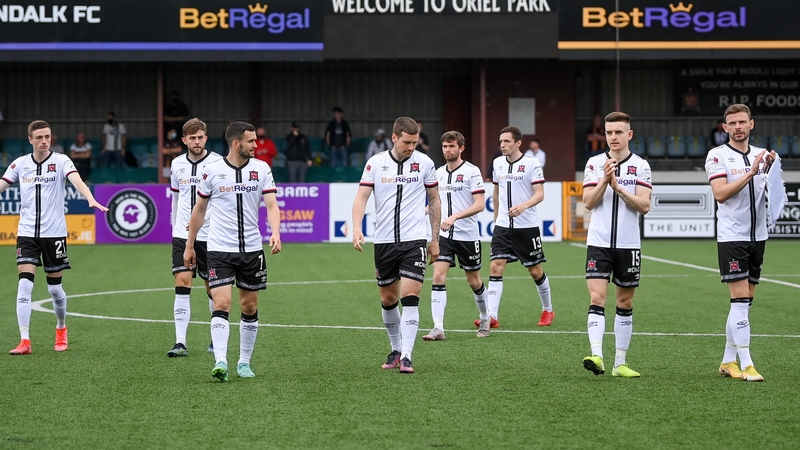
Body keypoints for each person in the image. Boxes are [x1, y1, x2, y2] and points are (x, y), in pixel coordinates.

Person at [184, 121, 282, 382]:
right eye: (251, 141)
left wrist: (275, 231)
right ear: (236, 143)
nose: (256, 145)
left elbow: (272, 204)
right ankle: (221, 361)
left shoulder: (262, 169)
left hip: (252, 249)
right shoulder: (213, 171)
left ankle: (244, 362)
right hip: (219, 249)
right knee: (222, 303)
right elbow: (199, 210)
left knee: (249, 306)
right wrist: (190, 244)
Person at [1, 120, 108, 355]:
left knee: (55, 289)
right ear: (30, 139)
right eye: (39, 137)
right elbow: (2, 183)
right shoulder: (20, 163)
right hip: (27, 233)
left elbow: (76, 180)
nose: (44, 141)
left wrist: (90, 198)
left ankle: (61, 328)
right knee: (24, 284)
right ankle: (24, 340)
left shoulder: (61, 161)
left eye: (47, 137)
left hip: (54, 234)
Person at [352, 116, 440, 374]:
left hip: (414, 240)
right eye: (406, 142)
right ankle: (396, 349)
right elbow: (361, 197)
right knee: (388, 299)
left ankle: (408, 356)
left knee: (410, 297)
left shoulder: (425, 163)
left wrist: (435, 239)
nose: (411, 147)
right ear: (394, 137)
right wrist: (356, 228)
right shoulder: (375, 163)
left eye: (414, 142)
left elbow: (434, 201)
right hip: (384, 241)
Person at [705, 104, 776, 382]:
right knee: (739, 300)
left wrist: (770, 171)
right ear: (725, 128)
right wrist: (751, 172)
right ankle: (747, 364)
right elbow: (720, 194)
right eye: (732, 123)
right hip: (732, 236)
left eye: (742, 122)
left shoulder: (762, 154)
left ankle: (727, 361)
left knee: (745, 303)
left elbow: (772, 193)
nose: (737, 127)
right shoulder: (717, 155)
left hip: (758, 236)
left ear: (751, 124)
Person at [581, 112, 652, 379]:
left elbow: (644, 205)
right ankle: (597, 355)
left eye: (618, 132)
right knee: (597, 298)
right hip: (598, 242)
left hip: (628, 244)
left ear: (629, 134)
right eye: (609, 132)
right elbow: (588, 202)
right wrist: (604, 180)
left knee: (625, 301)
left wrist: (619, 188)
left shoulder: (641, 165)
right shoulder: (594, 163)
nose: (613, 137)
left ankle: (620, 363)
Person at [483, 126, 553, 329]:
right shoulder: (497, 163)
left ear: (518, 143)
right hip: (503, 227)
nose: (502, 145)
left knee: (534, 270)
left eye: (507, 141)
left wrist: (523, 206)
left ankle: (548, 309)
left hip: (526, 227)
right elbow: (496, 191)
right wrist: (496, 218)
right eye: (501, 141)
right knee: (495, 266)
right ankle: (491, 316)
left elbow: (540, 193)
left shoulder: (532, 163)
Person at [421, 131, 489, 341]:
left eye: (452, 146)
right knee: (438, 276)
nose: (447, 150)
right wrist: (421, 212)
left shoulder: (472, 172)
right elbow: (435, 202)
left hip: (467, 236)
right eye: (445, 146)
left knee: (474, 281)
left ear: (461, 148)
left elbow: (480, 204)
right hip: (444, 236)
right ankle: (438, 328)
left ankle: (485, 317)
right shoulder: (438, 173)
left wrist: (454, 217)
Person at [166, 118, 223, 358]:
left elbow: (220, 200)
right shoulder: (176, 164)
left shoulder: (218, 163)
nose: (197, 142)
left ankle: (214, 339)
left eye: (200, 137)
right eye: (192, 138)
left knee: (213, 288)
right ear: (184, 140)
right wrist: (175, 228)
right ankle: (180, 342)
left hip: (210, 235)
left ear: (206, 138)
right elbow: (175, 198)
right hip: (182, 235)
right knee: (182, 282)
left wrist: (202, 219)